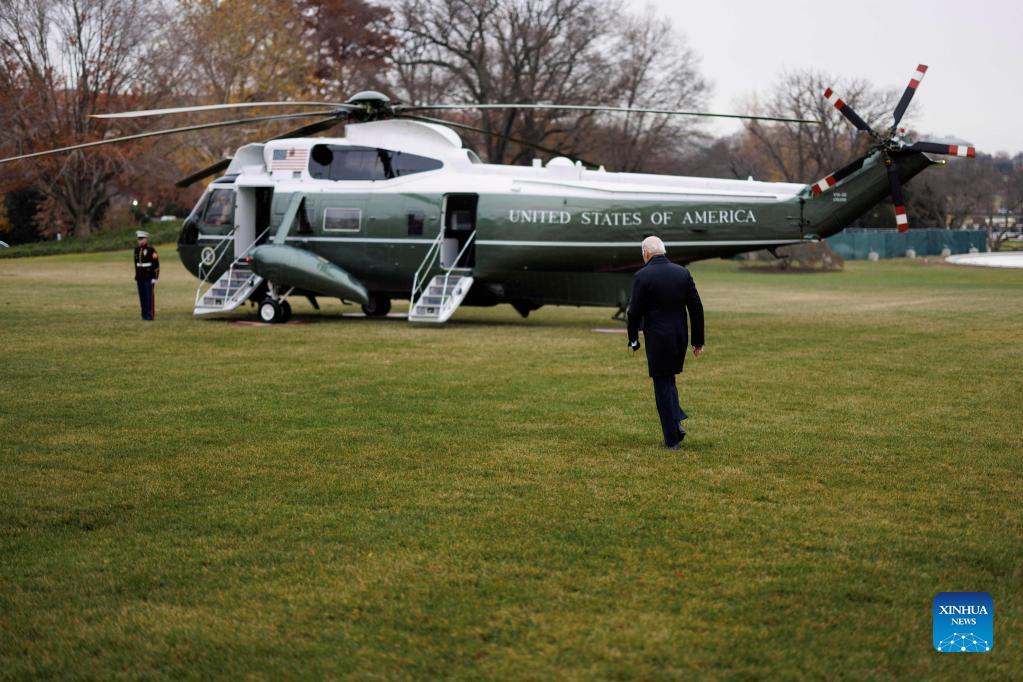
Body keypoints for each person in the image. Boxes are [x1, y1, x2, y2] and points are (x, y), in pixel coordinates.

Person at [627, 236, 705, 449]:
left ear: (646, 253)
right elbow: (696, 309)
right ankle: (676, 421)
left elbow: (634, 311)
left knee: (662, 384)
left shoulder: (642, 276)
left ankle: (672, 439)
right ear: (663, 251)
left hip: (657, 338)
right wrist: (697, 341)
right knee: (668, 380)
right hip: (679, 337)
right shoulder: (682, 273)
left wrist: (633, 338)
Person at [134, 230, 159, 320]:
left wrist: (155, 277)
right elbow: (136, 264)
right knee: (142, 297)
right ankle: (143, 314)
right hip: (140, 277)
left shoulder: (151, 250)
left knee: (149, 297)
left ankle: (150, 315)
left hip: (149, 277)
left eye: (142, 239)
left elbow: (156, 264)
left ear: (146, 239)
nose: (140, 241)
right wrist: (136, 276)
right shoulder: (136, 250)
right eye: (139, 239)